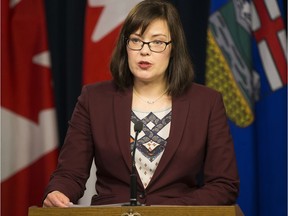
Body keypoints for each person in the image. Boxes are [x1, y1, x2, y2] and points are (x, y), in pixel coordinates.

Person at [43, 0, 239, 207]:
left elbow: (224, 184)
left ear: (173, 49)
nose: (144, 51)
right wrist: (59, 192)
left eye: (157, 42)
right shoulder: (94, 99)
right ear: (125, 46)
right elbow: (70, 173)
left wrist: (170, 211)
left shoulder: (206, 103)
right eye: (136, 40)